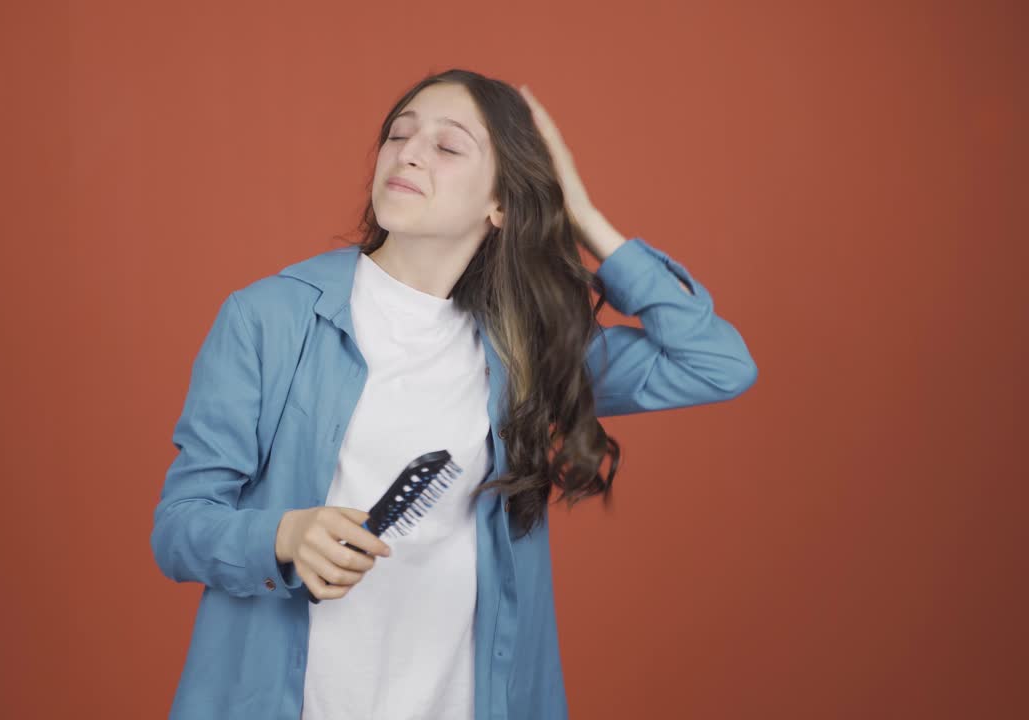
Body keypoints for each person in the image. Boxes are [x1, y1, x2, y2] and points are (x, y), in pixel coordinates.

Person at [150, 68, 758, 720]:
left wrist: (581, 212)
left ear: (501, 204)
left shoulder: (527, 349)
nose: (408, 153)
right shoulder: (269, 318)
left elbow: (716, 364)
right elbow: (180, 527)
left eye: (447, 145)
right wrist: (285, 534)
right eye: (398, 135)